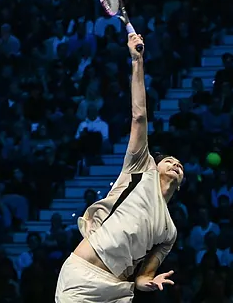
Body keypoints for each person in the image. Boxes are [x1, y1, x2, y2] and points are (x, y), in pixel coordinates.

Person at [55, 31, 183, 302]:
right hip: (80, 278)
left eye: (180, 165)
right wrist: (137, 61)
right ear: (156, 165)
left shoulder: (168, 232)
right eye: (170, 160)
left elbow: (143, 276)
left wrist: (149, 282)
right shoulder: (141, 169)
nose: (176, 163)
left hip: (115, 291)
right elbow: (139, 115)